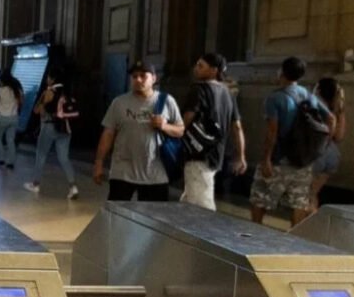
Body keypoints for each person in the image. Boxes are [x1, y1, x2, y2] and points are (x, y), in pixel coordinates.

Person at [249, 57, 334, 226]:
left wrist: (266, 159)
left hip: (279, 159)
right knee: (299, 203)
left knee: (260, 198)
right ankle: (295, 239)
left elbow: (272, 132)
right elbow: (331, 118)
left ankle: (255, 234)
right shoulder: (308, 95)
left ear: (282, 71)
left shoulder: (275, 98)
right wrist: (322, 146)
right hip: (302, 161)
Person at [93, 61, 184, 202]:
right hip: (122, 171)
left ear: (154, 78)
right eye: (134, 76)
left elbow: (180, 130)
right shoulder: (119, 103)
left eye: (143, 76)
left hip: (155, 173)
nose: (138, 80)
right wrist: (99, 163)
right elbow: (108, 134)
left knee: (153, 219)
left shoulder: (166, 101)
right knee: (117, 216)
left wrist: (165, 126)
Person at [180, 54, 247, 210]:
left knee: (202, 203)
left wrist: (174, 133)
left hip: (198, 152)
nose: (195, 69)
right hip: (217, 153)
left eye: (200, 66)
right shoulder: (228, 93)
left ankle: (204, 232)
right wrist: (241, 156)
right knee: (192, 194)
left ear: (213, 70)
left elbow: (186, 119)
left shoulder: (198, 90)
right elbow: (237, 127)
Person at [24, 68, 81, 199]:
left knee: (41, 154)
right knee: (64, 158)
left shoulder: (49, 92)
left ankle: (36, 184)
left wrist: (41, 100)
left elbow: (37, 110)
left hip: (49, 127)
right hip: (65, 128)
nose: (46, 80)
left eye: (48, 77)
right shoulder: (68, 92)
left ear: (53, 79)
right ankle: (73, 187)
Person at [309, 77, 346, 213]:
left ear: (318, 89)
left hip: (315, 154)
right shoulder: (337, 111)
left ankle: (304, 229)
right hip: (332, 156)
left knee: (305, 197)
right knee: (313, 195)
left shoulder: (315, 108)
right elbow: (339, 136)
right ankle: (312, 226)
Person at [0, 71, 23, 169]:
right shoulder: (16, 90)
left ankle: (1, 159)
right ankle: (11, 162)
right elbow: (22, 101)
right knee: (10, 140)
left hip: (3, 118)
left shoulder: (0, 90)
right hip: (14, 117)